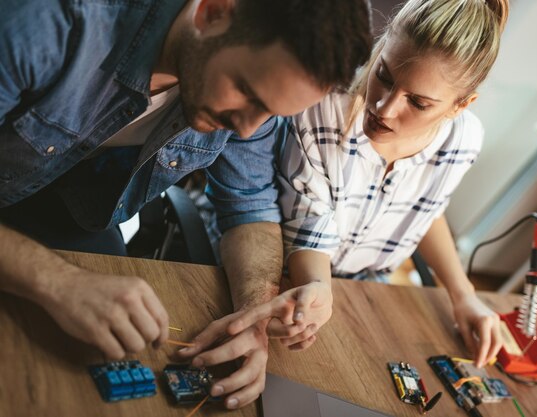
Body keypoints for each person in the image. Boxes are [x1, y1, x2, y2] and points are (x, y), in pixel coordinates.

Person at [0, 0, 372, 409]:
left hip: (69, 204)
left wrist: (253, 317)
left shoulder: (252, 88)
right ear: (212, 12)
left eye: (270, 114)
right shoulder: (52, 21)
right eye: (246, 91)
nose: (247, 127)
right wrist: (57, 283)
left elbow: (249, 207)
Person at [228, 0, 509, 368]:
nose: (384, 107)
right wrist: (318, 288)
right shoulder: (325, 106)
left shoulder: (465, 139)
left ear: (460, 106)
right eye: (384, 75)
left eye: (418, 103)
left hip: (364, 287)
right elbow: (311, 221)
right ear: (381, 45)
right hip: (281, 272)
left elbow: (426, 211)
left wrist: (463, 295)